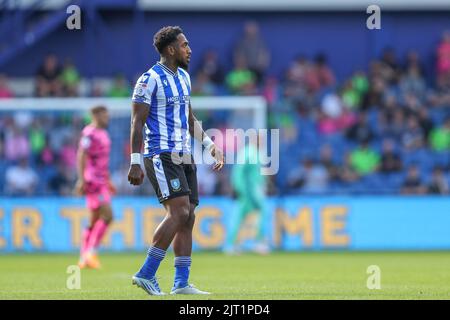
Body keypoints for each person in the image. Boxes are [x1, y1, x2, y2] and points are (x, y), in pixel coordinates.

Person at [127, 26, 224, 296]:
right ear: (170, 49)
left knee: (188, 217)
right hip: (161, 153)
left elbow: (189, 118)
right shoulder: (149, 80)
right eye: (184, 45)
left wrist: (209, 144)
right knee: (178, 212)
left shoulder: (183, 77)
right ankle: (146, 273)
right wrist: (135, 161)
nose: (189, 50)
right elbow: (137, 122)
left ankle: (181, 282)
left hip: (185, 153)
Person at [75, 106, 116, 269]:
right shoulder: (89, 133)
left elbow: (103, 161)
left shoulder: (104, 134)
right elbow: (81, 155)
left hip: (102, 180)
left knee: (94, 219)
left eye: (107, 115)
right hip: (92, 180)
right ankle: (91, 252)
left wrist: (108, 180)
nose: (107, 118)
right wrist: (81, 179)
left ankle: (84, 257)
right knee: (108, 215)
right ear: (95, 115)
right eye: (104, 115)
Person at [226, 136, 269, 255]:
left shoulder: (253, 152)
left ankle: (233, 244)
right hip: (248, 191)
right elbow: (239, 171)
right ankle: (256, 242)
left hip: (250, 190)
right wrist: (238, 187)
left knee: (241, 216)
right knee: (243, 215)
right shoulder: (249, 152)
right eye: (260, 140)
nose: (262, 142)